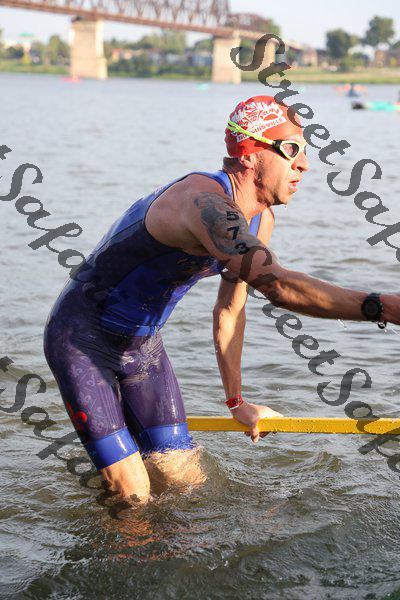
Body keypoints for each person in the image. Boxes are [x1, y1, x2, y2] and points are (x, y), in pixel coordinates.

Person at [44, 95, 400, 501]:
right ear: (248, 154)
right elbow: (278, 286)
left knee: (185, 482)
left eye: (305, 151)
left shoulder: (260, 220)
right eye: (291, 150)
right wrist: (386, 307)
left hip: (143, 349)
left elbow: (230, 311)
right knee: (134, 495)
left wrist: (237, 401)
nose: (304, 164)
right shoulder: (203, 203)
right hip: (82, 340)